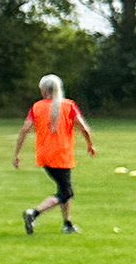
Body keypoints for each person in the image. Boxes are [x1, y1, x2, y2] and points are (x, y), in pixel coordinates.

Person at [12, 74, 96, 235]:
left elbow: (25, 130)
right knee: (66, 193)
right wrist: (90, 145)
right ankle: (34, 213)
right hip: (61, 155)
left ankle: (67, 223)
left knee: (64, 188)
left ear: (44, 90)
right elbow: (84, 128)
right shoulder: (69, 106)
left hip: (44, 155)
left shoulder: (37, 107)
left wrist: (17, 154)